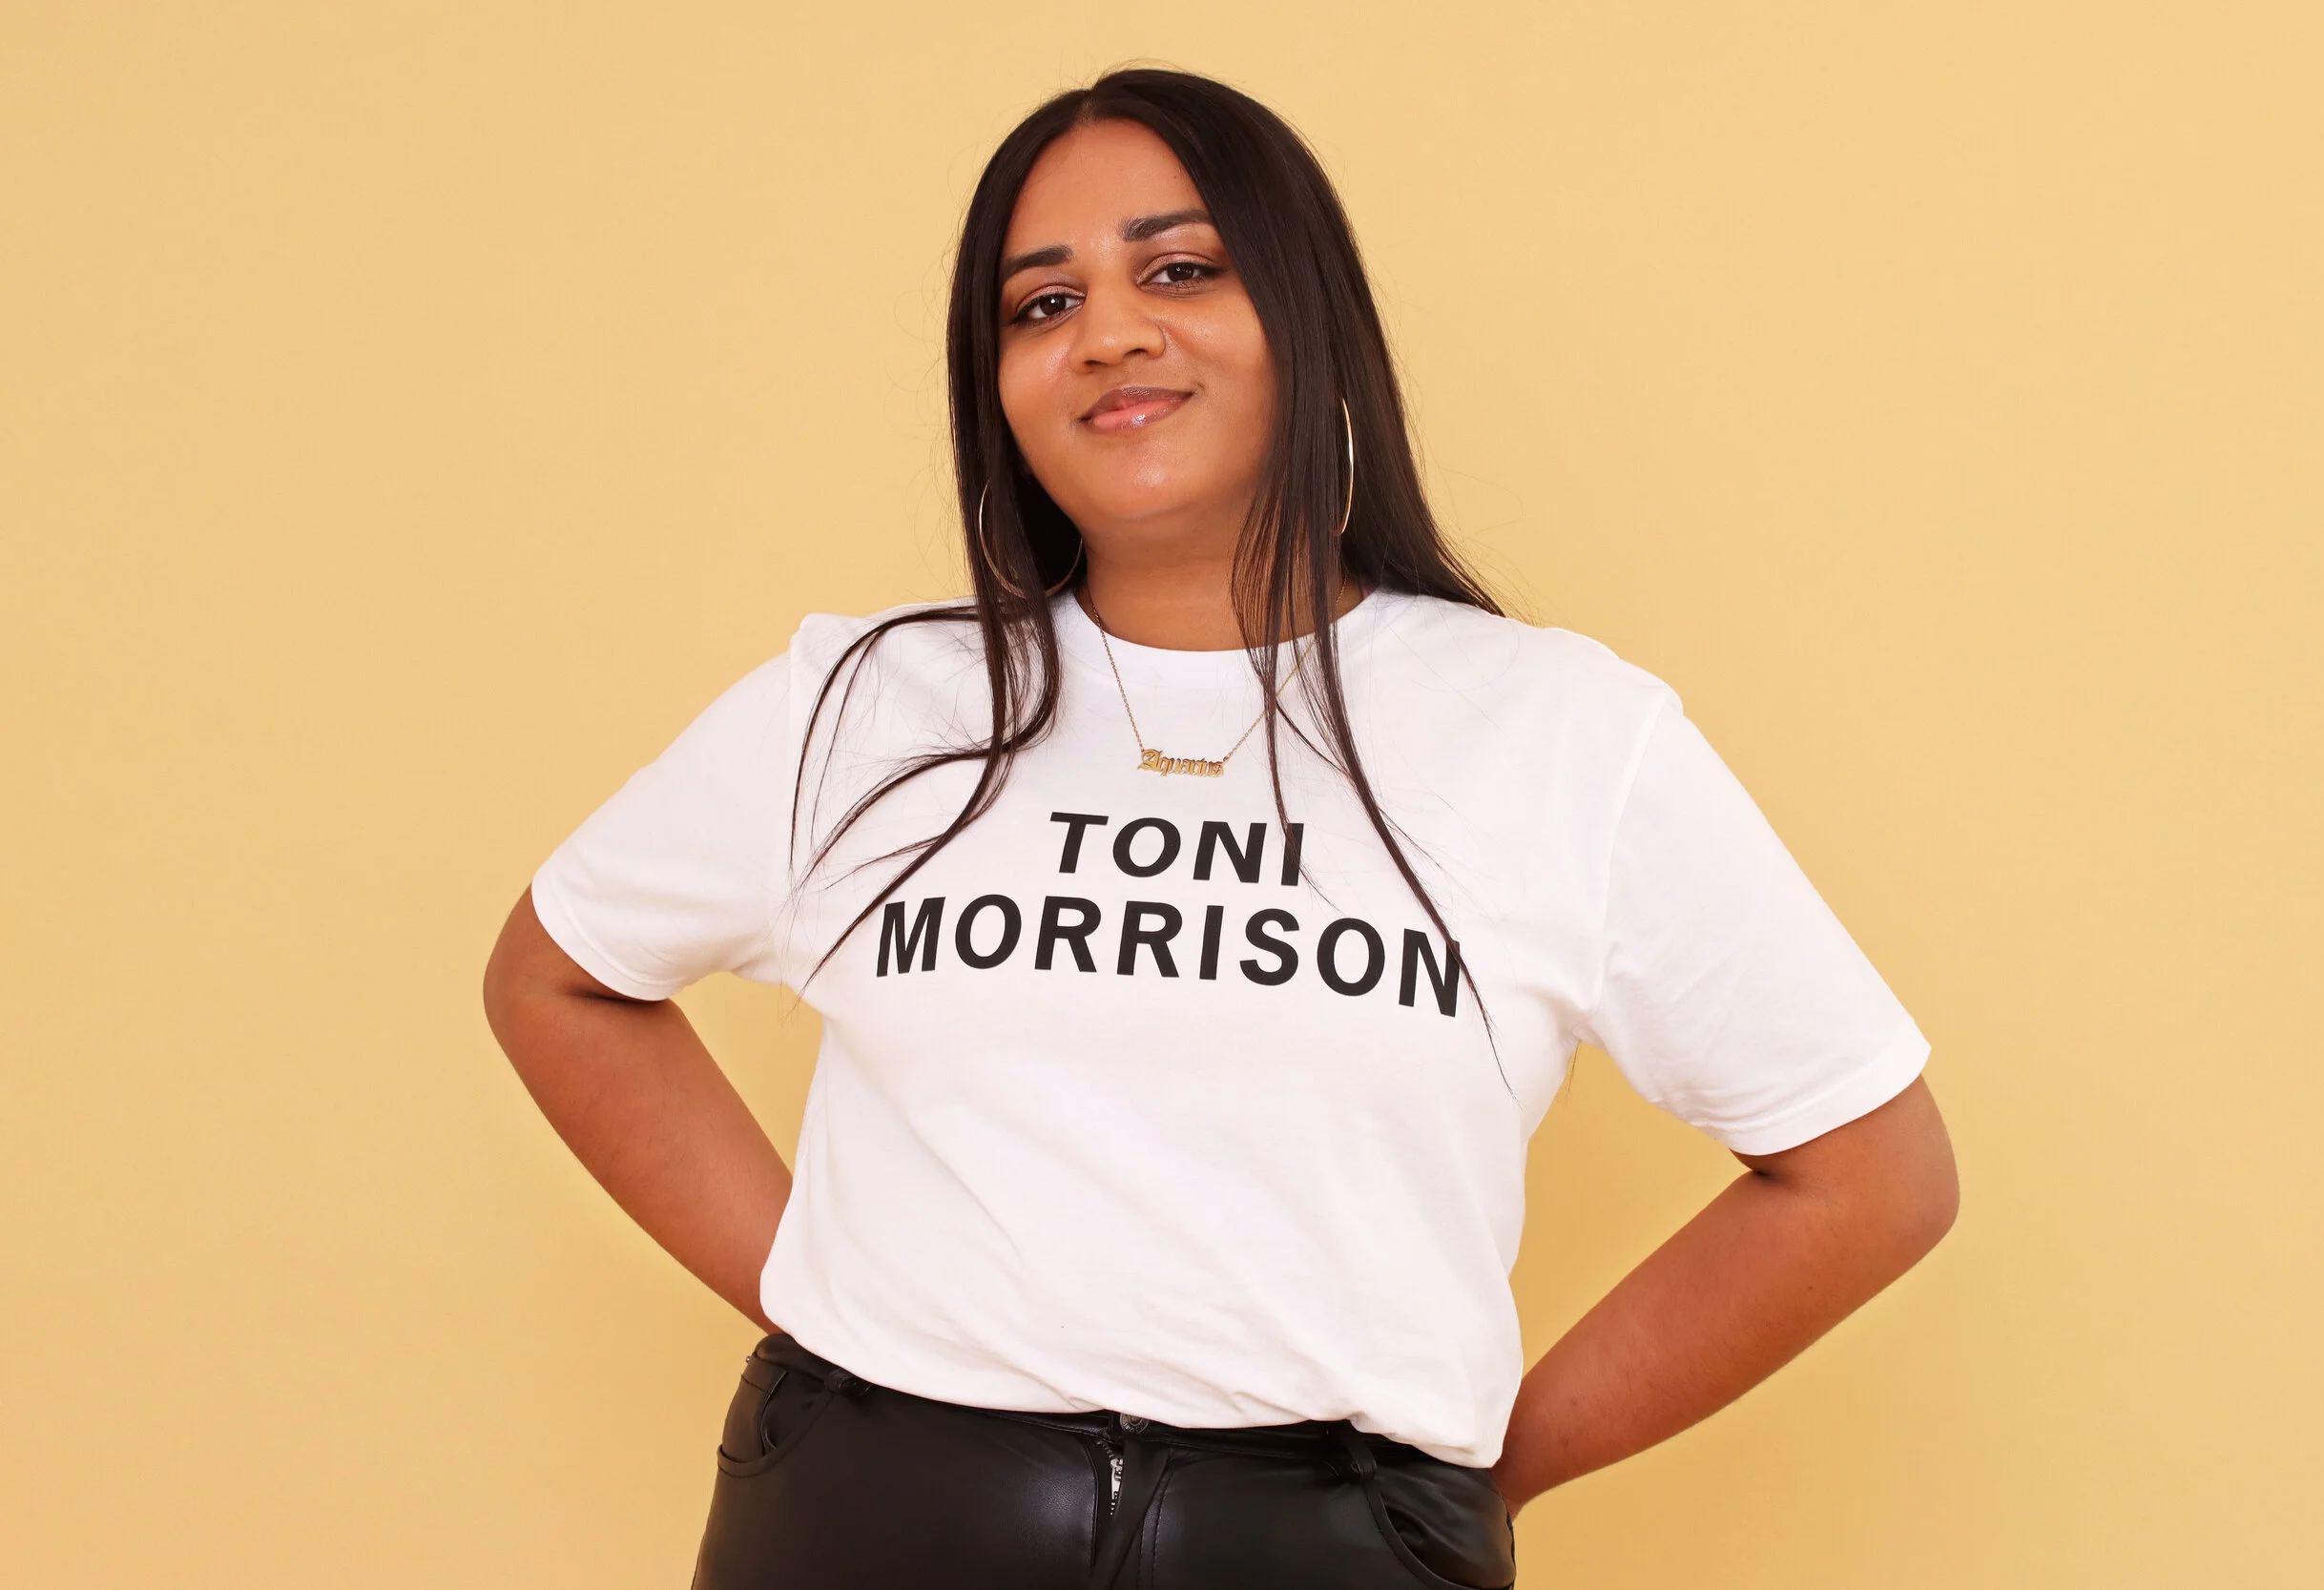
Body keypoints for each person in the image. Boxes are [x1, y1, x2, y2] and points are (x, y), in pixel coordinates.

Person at [482, 67, 1959, 1590]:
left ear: (1308, 318)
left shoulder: (1559, 733)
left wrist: (1476, 1473)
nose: (1110, 332)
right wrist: (826, 1303)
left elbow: (1871, 1173)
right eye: (1043, 304)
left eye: (1180, 270)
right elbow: (557, 975)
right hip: (865, 1532)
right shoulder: (864, 704)